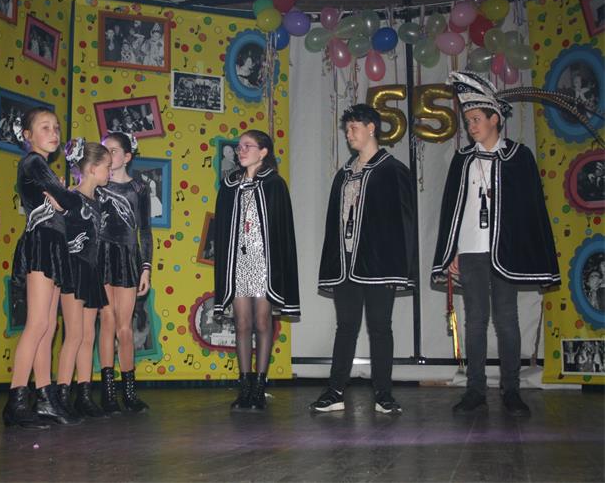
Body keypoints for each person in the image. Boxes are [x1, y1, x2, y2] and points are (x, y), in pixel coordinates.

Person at [432, 71, 560, 417]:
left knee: (507, 319)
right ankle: (475, 390)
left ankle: (511, 390)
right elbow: (452, 209)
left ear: (495, 119)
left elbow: (531, 210)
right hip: (471, 250)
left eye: (476, 119)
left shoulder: (519, 156)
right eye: (468, 120)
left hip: (505, 252)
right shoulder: (463, 159)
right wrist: (451, 250)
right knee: (474, 319)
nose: (471, 126)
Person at [310, 104, 415, 416]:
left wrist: (399, 266)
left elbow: (404, 222)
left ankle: (384, 393)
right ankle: (335, 390)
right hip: (346, 265)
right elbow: (334, 223)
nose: (349, 134)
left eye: (354, 128)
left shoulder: (393, 170)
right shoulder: (344, 174)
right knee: (346, 326)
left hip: (379, 265)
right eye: (346, 129)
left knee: (380, 327)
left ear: (372, 128)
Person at [2, 107, 84, 429]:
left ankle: (46, 398)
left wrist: (61, 195)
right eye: (45, 127)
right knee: (37, 324)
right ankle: (16, 399)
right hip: (41, 243)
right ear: (28, 135)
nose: (54, 133)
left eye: (56, 128)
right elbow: (71, 202)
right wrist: (63, 195)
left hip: (53, 243)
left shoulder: (43, 168)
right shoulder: (33, 163)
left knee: (49, 326)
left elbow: (65, 202)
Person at [214, 129, 300, 411]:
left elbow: (282, 231)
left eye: (247, 146)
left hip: (264, 263)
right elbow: (222, 230)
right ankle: (245, 386)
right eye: (239, 147)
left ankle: (260, 387)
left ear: (263, 152)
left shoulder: (275, 185)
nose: (241, 151)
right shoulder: (229, 185)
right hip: (239, 262)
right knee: (241, 323)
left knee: (263, 322)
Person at [54, 139, 111, 420]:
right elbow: (59, 235)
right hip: (73, 271)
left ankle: (84, 394)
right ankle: (62, 395)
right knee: (74, 335)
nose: (109, 172)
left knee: (88, 335)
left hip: (91, 270)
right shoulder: (71, 199)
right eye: (107, 167)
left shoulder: (98, 202)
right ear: (91, 169)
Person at [96, 131, 153, 413]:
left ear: (128, 156)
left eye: (114, 150)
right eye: (104, 150)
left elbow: (145, 231)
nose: (108, 155)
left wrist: (146, 269)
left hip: (128, 258)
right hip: (101, 256)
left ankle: (129, 392)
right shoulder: (97, 185)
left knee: (125, 327)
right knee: (106, 320)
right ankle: (108, 393)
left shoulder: (139, 188)